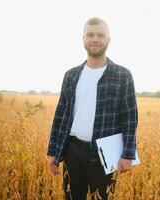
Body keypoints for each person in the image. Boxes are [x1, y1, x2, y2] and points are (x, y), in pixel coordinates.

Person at [46, 17, 138, 200]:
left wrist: (128, 154)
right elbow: (61, 114)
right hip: (72, 150)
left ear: (108, 40)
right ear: (83, 39)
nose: (95, 39)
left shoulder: (122, 75)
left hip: (105, 153)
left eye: (100, 35)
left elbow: (130, 118)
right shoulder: (70, 75)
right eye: (90, 35)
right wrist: (52, 152)